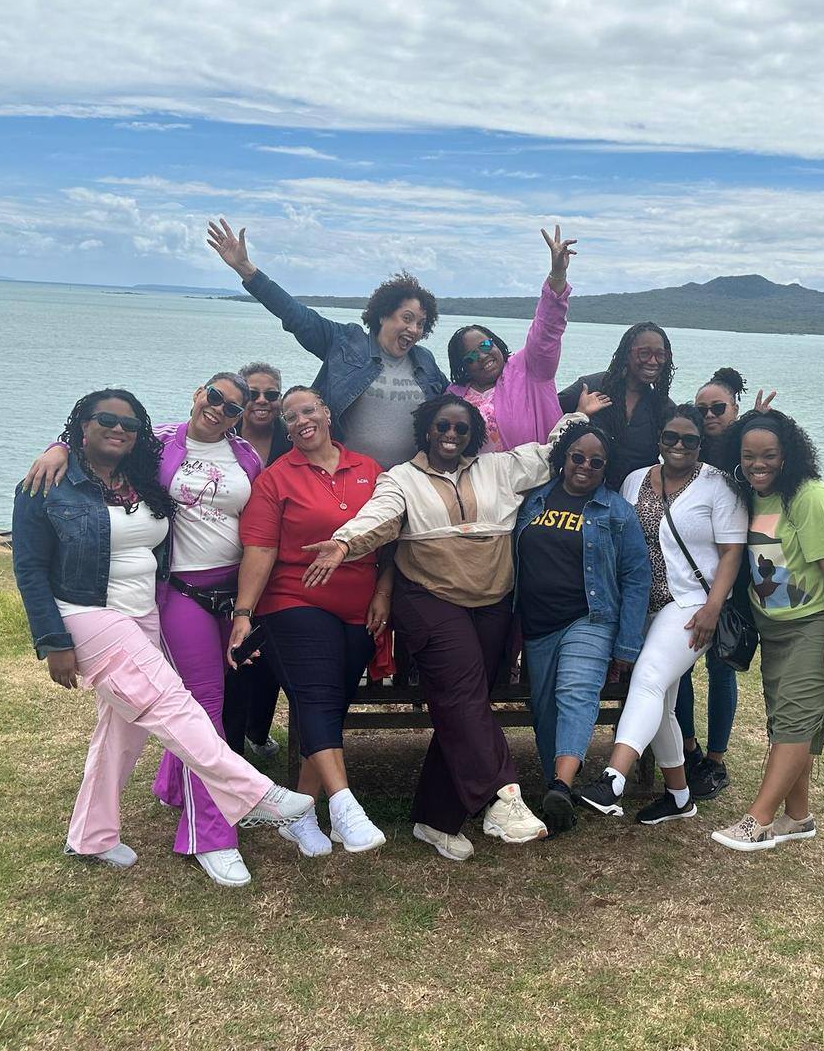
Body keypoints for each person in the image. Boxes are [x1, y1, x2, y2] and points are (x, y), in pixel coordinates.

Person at [11, 388, 311, 883]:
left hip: (144, 610)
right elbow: (29, 568)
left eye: (128, 424)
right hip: (86, 613)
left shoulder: (141, 472)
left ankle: (90, 835)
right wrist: (52, 640)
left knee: (122, 731)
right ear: (80, 426)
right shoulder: (49, 483)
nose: (117, 429)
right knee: (173, 702)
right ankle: (255, 794)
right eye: (104, 420)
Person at [302, 393, 605, 859]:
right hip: (428, 599)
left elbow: (551, 453)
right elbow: (379, 518)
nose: (450, 435)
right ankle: (504, 796)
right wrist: (344, 544)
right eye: (442, 426)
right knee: (463, 694)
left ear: (473, 436)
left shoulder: (499, 468)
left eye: (461, 429)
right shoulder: (400, 478)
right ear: (427, 428)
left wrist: (579, 413)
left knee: (464, 704)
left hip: (491, 602)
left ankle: (435, 817)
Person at [231, 386, 392, 857]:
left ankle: (300, 816)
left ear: (326, 412)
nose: (300, 420)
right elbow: (260, 550)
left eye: (307, 410)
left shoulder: (368, 469)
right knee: (319, 695)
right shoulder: (276, 479)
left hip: (359, 608)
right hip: (294, 600)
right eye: (289, 416)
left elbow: (389, 536)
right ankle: (345, 806)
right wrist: (244, 613)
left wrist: (384, 594)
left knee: (327, 705)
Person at [576, 404, 745, 825]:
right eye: (671, 437)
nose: (679, 446)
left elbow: (731, 554)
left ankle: (613, 778)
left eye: (689, 439)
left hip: (688, 605)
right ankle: (678, 796)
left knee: (648, 678)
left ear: (700, 445)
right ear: (659, 439)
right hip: (640, 606)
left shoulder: (717, 486)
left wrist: (713, 606)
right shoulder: (636, 481)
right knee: (663, 703)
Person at [711, 410, 824, 852]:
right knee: (787, 719)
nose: (759, 464)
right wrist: (746, 418)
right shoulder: (752, 494)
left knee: (795, 718)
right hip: (776, 625)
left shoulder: (810, 497)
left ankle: (758, 821)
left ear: (789, 455)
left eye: (770, 455)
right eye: (749, 456)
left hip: (821, 620)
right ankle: (797, 817)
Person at [209, 217, 448, 469]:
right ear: (383, 315)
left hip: (406, 484)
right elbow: (297, 316)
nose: (414, 329)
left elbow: (456, 401)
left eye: (421, 323)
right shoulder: (345, 343)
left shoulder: (425, 362)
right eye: (407, 318)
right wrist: (246, 270)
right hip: (344, 478)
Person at [513, 420, 650, 834]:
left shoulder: (615, 510)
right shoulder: (532, 501)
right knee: (543, 708)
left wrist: (626, 646)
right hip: (537, 624)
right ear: (563, 458)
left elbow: (636, 576)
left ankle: (560, 784)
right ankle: (560, 791)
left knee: (576, 692)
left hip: (590, 618)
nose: (585, 466)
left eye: (596, 462)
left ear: (606, 468)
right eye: (577, 457)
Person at [676, 367, 774, 798]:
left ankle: (716, 759)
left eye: (719, 408)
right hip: (688, 574)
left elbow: (773, 466)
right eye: (704, 409)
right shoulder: (688, 451)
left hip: (732, 579)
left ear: (734, 409)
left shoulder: (743, 452)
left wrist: (759, 423)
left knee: (721, 665)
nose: (711, 415)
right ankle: (689, 748)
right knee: (679, 668)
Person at [445, 225, 577, 451]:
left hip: (532, 481)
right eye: (471, 357)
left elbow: (547, 331)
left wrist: (557, 275)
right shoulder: (454, 394)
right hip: (475, 483)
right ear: (463, 367)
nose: (483, 356)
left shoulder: (529, 369)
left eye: (485, 345)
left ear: (496, 342)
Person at [224, 359, 292, 758]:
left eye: (271, 394)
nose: (262, 401)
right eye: (252, 394)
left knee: (271, 650)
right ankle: (230, 741)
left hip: (279, 558)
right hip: (228, 556)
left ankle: (256, 730)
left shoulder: (292, 438)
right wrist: (62, 444)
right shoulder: (222, 435)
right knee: (237, 652)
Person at [558, 322, 677, 489]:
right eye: (644, 353)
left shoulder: (664, 407)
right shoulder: (591, 387)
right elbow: (545, 416)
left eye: (660, 355)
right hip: (583, 492)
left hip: (634, 498)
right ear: (626, 354)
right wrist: (580, 413)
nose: (653, 361)